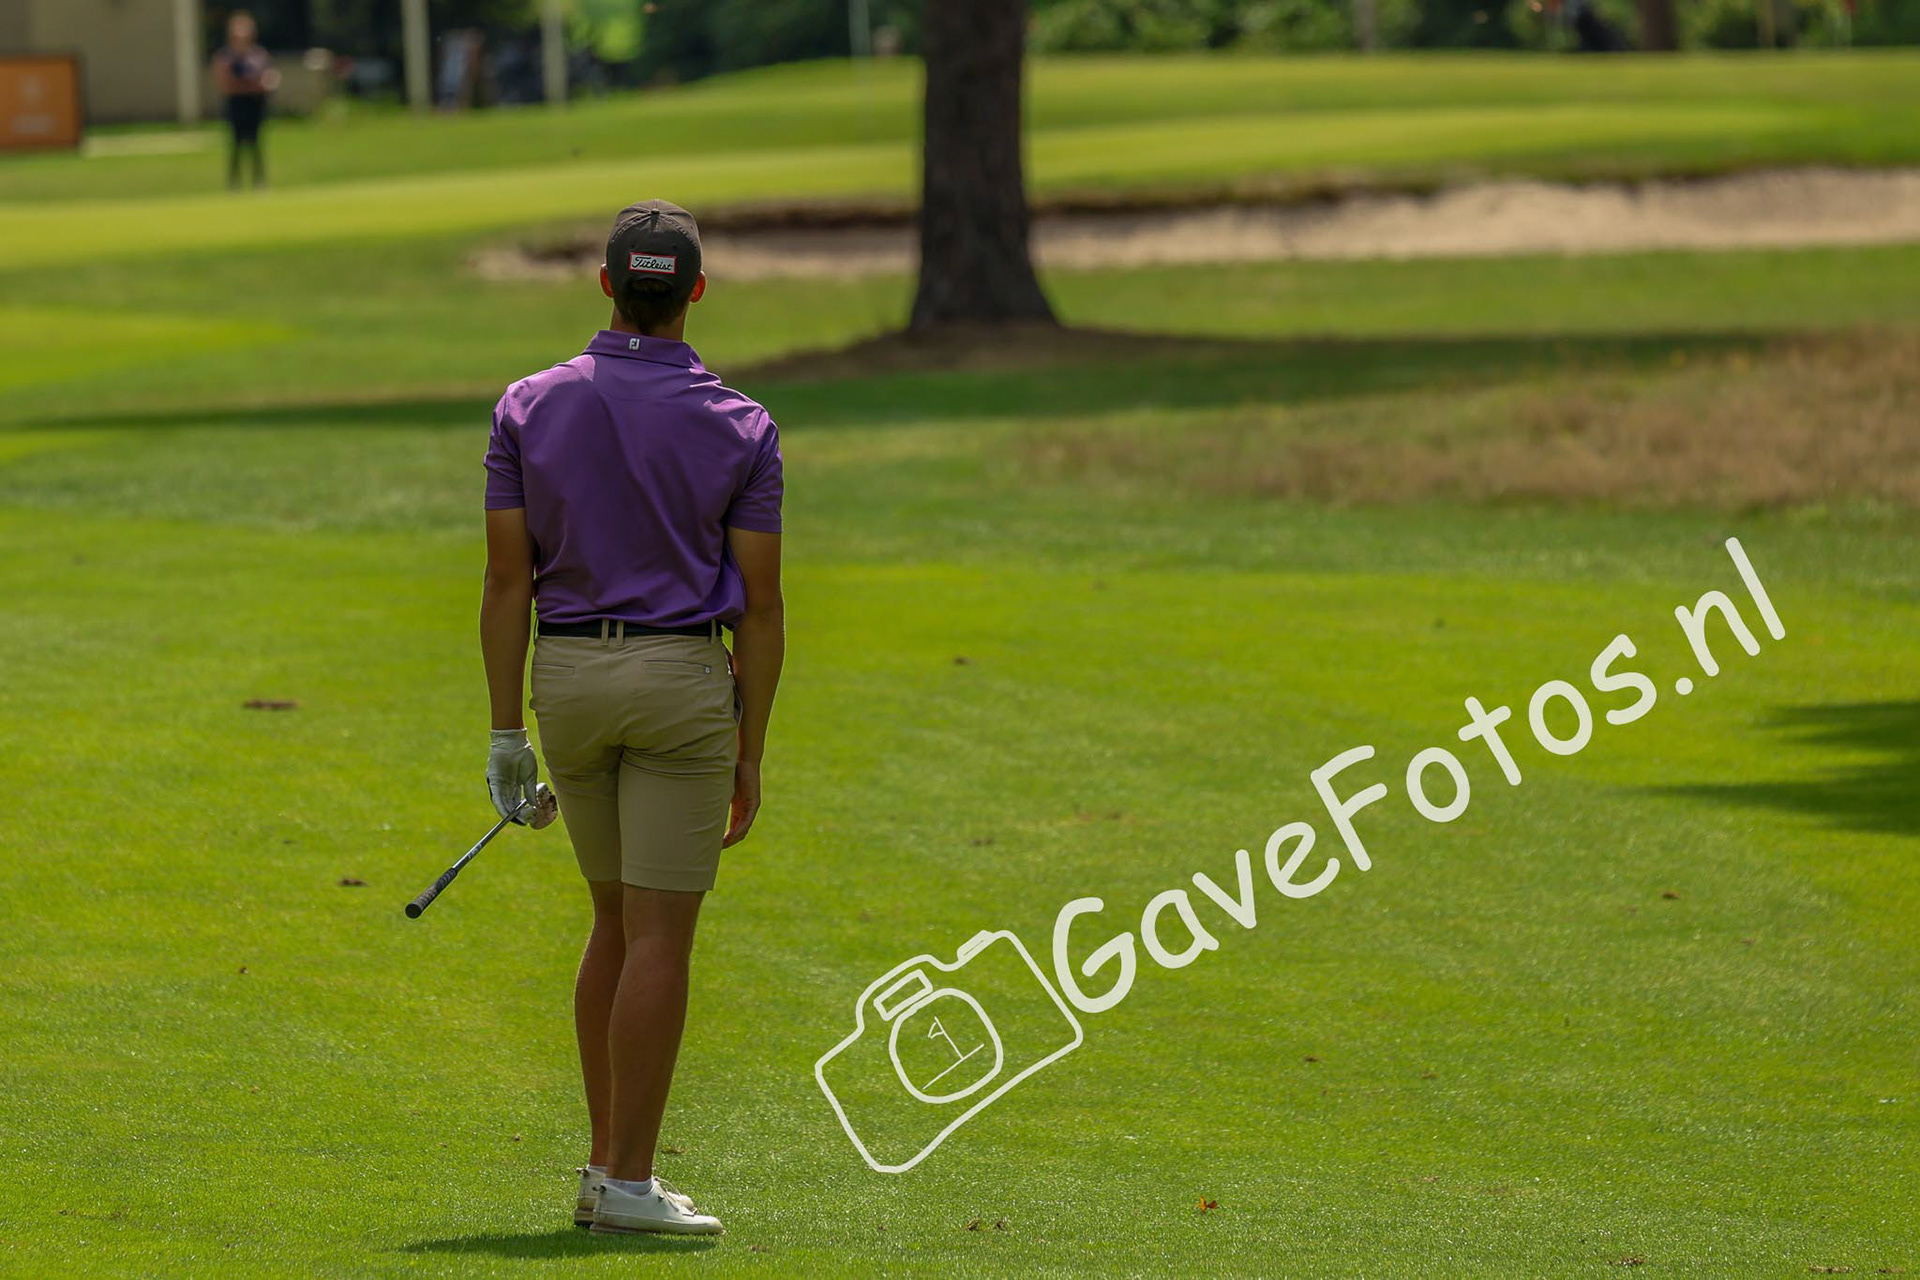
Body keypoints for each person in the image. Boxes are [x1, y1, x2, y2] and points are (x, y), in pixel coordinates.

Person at [479, 200, 785, 1236]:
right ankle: (629, 1184)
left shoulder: (527, 403)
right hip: (679, 686)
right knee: (660, 932)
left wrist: (504, 734)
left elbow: (506, 579)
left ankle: (608, 1168)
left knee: (612, 920)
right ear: (695, 290)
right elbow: (763, 605)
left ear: (608, 285)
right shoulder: (741, 423)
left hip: (564, 680)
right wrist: (752, 751)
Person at [211, 11, 278, 189]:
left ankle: (259, 180)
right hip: (236, 104)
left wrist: (259, 84)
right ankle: (234, 182)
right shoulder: (225, 57)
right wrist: (248, 85)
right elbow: (225, 83)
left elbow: (266, 79)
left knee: (256, 143)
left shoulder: (258, 55)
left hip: (255, 104)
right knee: (235, 143)